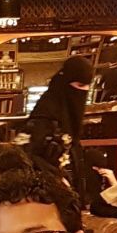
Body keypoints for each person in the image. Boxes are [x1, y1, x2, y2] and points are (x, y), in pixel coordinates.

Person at [27, 55, 94, 197]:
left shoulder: (68, 112)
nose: (84, 90)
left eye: (88, 86)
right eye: (80, 85)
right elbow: (29, 152)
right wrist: (55, 178)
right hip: (46, 191)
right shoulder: (46, 111)